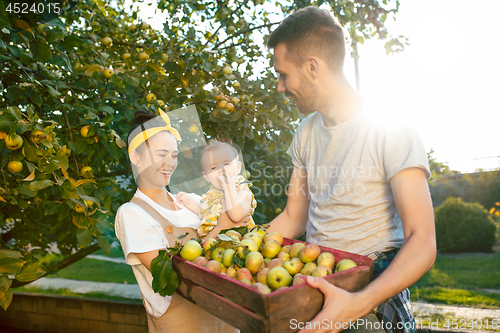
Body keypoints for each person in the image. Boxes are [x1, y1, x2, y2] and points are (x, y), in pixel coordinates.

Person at [265, 6, 436, 333]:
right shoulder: (305, 132)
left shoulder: (392, 127)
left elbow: (422, 241)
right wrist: (237, 245)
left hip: (373, 297)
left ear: (312, 67)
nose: (280, 87)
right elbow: (293, 218)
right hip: (317, 287)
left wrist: (357, 304)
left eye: (283, 74)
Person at [115, 110, 244, 333]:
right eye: (161, 154)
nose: (170, 163)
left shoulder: (190, 201)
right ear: (135, 156)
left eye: (173, 155)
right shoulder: (132, 214)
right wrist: (222, 226)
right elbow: (171, 276)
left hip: (228, 323)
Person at [178, 140, 257, 238]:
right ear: (206, 176)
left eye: (226, 164)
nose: (221, 170)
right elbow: (205, 213)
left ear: (238, 167)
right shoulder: (211, 196)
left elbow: (236, 216)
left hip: (240, 243)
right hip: (213, 244)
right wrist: (189, 202)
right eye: (214, 168)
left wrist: (229, 188)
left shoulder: (242, 192)